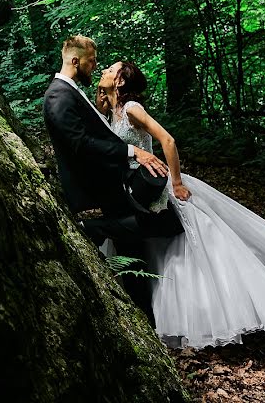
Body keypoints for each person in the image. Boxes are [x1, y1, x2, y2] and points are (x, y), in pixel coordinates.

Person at [97, 60, 265, 348]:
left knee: (192, 246)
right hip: (136, 191)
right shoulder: (113, 110)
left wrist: (176, 183)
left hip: (156, 186)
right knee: (160, 250)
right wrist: (103, 93)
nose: (105, 70)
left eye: (111, 69)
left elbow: (168, 140)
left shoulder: (131, 110)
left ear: (121, 81)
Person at [42, 35, 179, 321]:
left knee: (138, 253)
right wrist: (133, 151)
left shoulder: (77, 92)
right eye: (92, 61)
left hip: (125, 188)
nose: (96, 66)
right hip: (108, 188)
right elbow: (79, 143)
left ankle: (146, 320)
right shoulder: (58, 95)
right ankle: (144, 318)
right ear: (75, 60)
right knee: (136, 254)